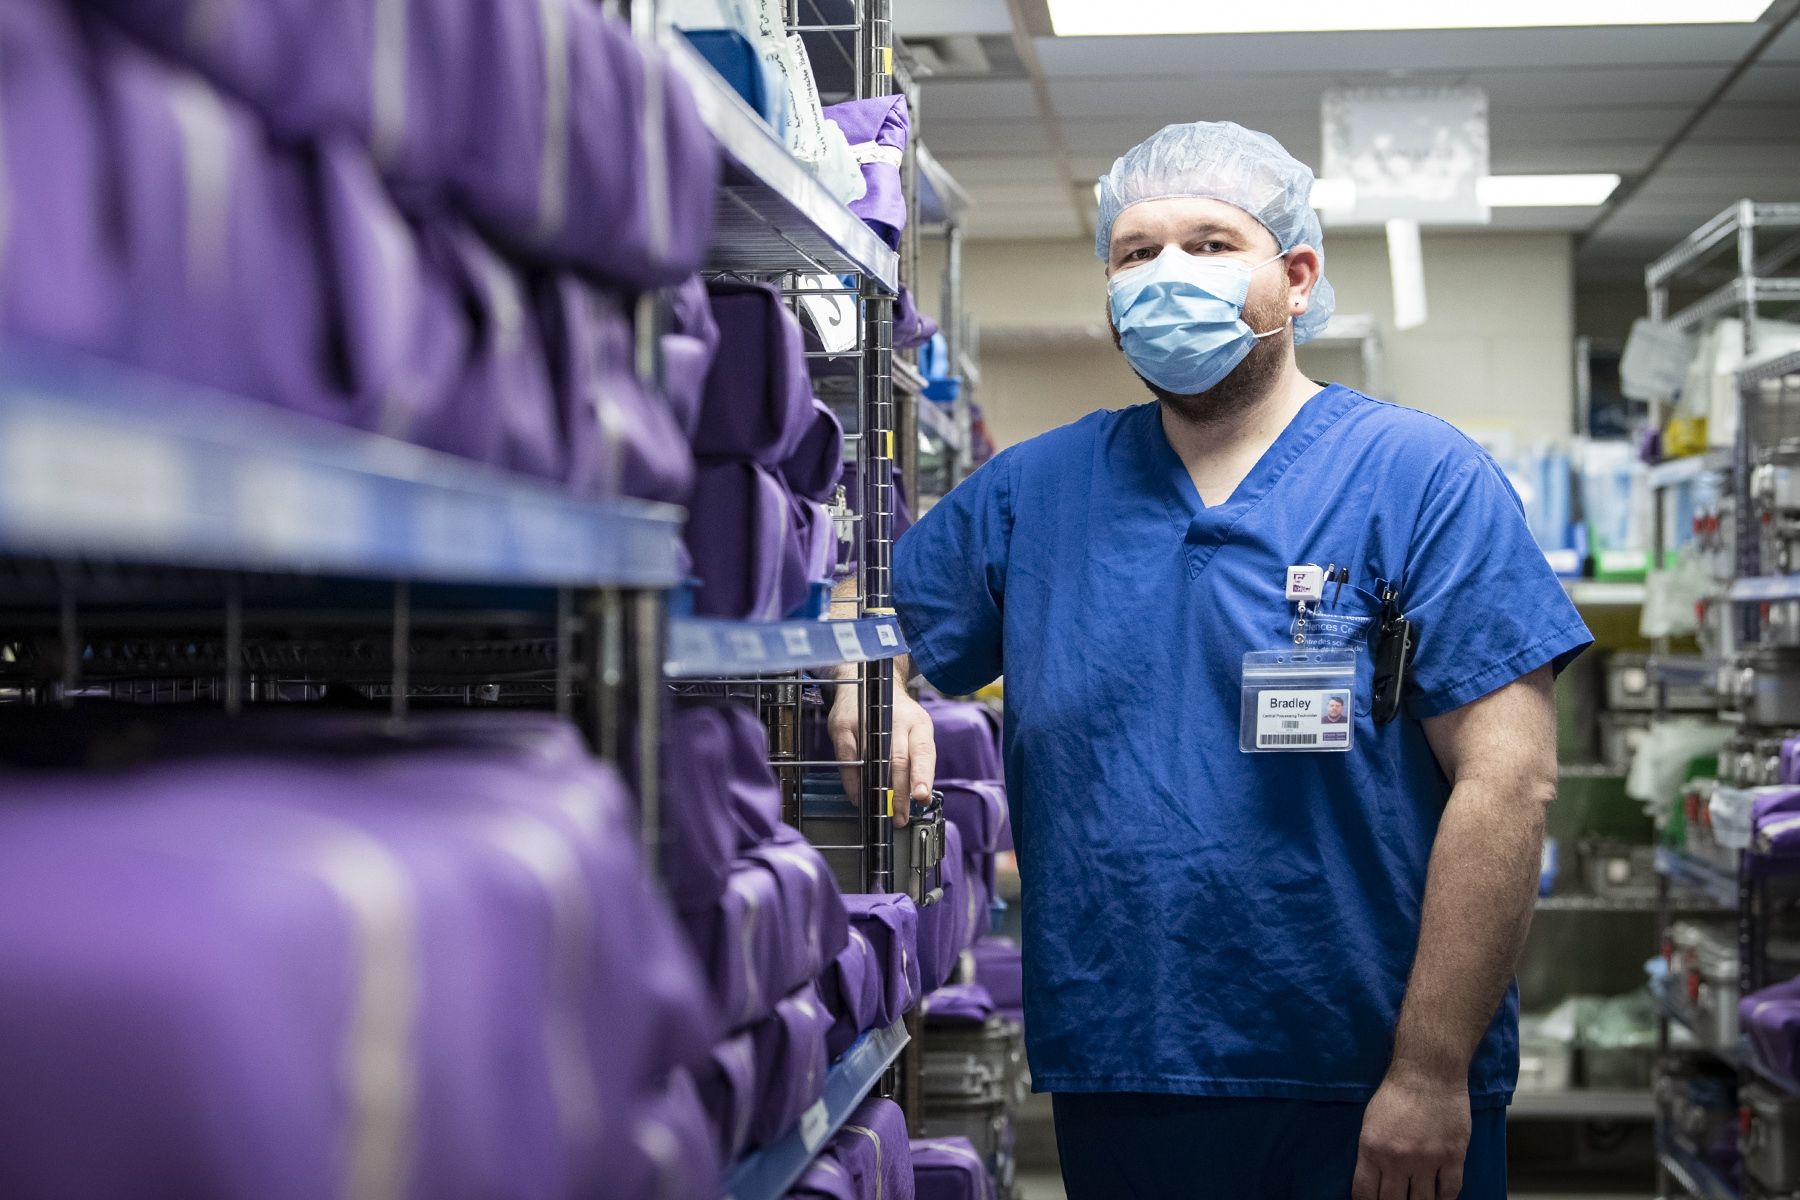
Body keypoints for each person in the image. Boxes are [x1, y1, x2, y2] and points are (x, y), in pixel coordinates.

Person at [867, 121, 1592, 1200]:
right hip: (1130, 1068)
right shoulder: (1036, 492)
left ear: (1296, 277)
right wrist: (877, 684)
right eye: (1135, 253)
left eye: (1211, 245)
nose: (1168, 275)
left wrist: (1432, 1069)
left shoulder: (1420, 479)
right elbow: (864, 606)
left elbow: (1509, 783)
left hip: (1369, 1085)